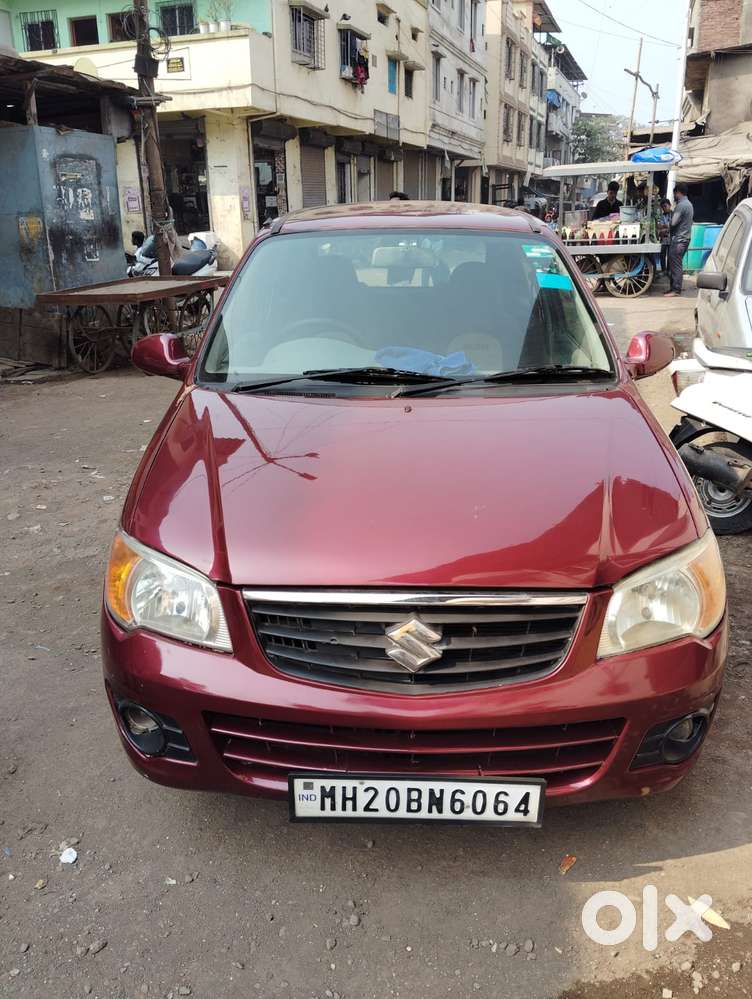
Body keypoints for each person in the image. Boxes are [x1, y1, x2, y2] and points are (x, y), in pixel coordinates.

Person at [665, 182, 694, 297]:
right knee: (675, 264)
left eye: (675, 194)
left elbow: (673, 222)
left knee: (675, 265)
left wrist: (666, 228)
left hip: (679, 239)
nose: (674, 196)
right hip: (684, 238)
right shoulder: (689, 204)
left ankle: (676, 289)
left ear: (678, 192)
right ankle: (673, 288)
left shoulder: (681, 205)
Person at [658, 198, 672, 279]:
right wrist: (666, 226)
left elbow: (672, 226)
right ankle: (664, 270)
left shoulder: (673, 214)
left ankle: (669, 271)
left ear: (670, 205)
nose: (664, 208)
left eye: (665, 206)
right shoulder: (662, 216)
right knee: (662, 254)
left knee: (670, 255)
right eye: (662, 207)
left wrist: (665, 227)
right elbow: (660, 226)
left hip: (671, 238)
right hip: (664, 238)